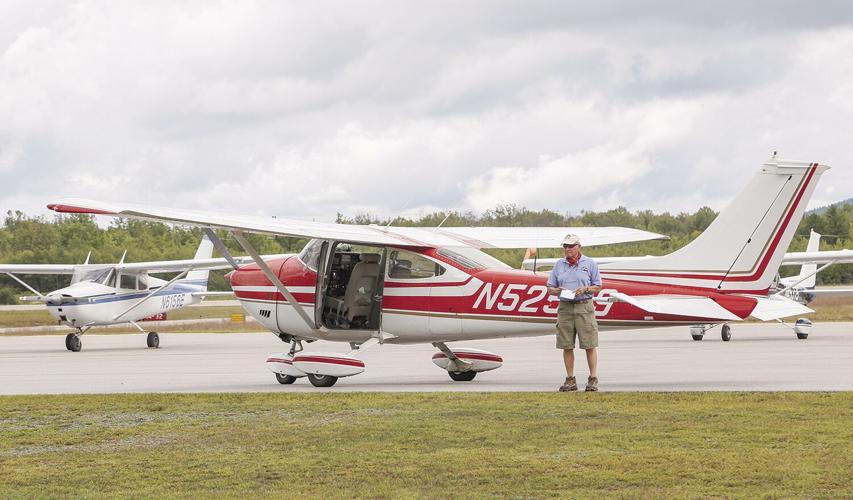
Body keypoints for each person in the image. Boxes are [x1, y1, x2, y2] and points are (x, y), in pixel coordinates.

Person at [547, 234, 602, 392]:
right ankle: (570, 380)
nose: (568, 249)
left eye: (571, 246)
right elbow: (550, 288)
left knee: (589, 344)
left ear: (579, 247)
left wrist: (585, 289)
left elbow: (598, 286)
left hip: (584, 305)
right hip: (565, 306)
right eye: (565, 246)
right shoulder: (559, 264)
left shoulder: (590, 263)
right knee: (566, 345)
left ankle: (592, 378)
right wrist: (557, 290)